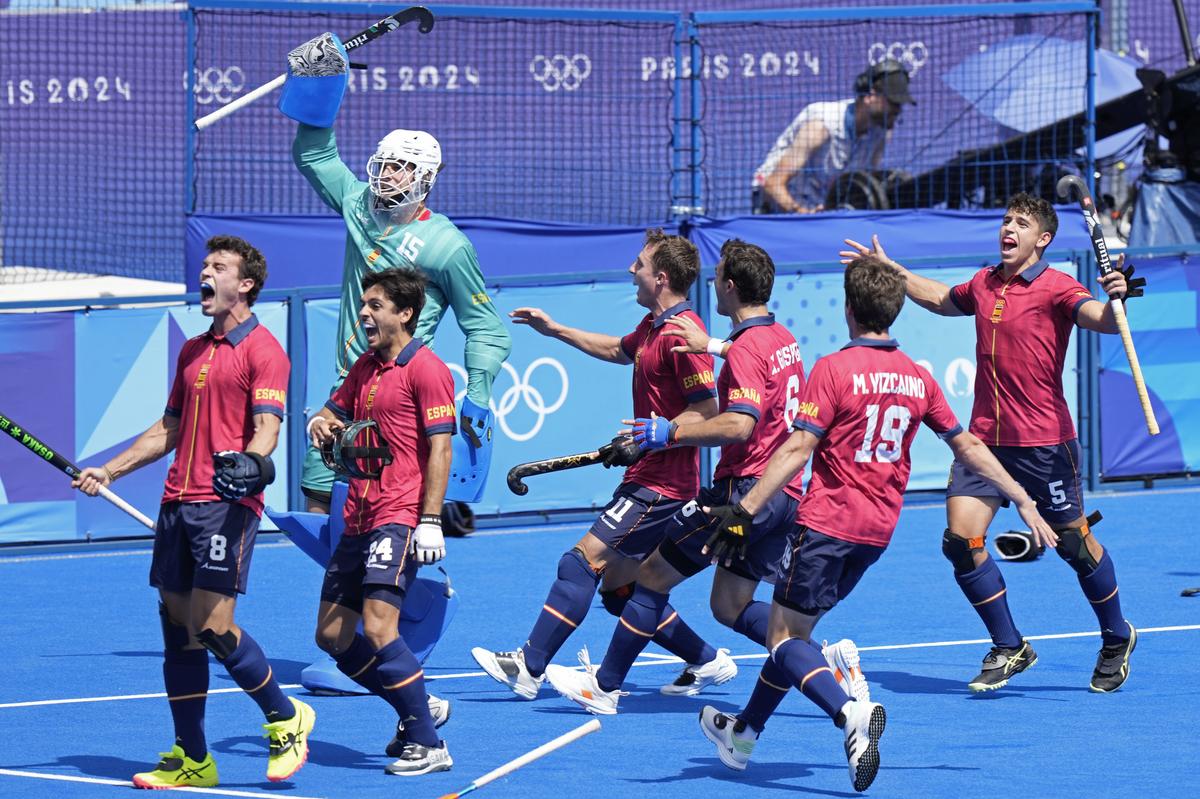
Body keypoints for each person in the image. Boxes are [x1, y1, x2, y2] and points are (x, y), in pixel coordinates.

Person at [697, 255, 1056, 792]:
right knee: (795, 636)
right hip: (878, 532)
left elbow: (798, 447)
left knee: (781, 636)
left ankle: (848, 714)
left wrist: (746, 509)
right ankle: (744, 733)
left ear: (847, 308)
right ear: (896, 310)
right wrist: (1022, 498)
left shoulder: (835, 369)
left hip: (826, 523)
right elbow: (968, 447)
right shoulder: (918, 377)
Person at [544, 238, 866, 713]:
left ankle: (605, 687)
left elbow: (738, 424)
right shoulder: (780, 337)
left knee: (649, 577)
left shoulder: (743, 350)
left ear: (730, 287)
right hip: (784, 496)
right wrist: (714, 347)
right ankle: (825, 661)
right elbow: (749, 357)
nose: (710, 283)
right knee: (729, 606)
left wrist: (667, 431)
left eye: (717, 278)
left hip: (743, 495)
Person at [841, 193, 1141, 693]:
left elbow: (1103, 319)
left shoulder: (1057, 288)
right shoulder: (984, 283)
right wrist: (891, 271)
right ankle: (1010, 646)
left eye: (1021, 223)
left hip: (1045, 445)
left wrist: (1120, 296)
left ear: (1042, 240)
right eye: (1006, 220)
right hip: (983, 444)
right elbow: (940, 299)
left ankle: (1116, 635)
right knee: (961, 542)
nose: (1009, 228)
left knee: (1074, 545)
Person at [73, 236, 313, 789]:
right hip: (177, 501)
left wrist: (253, 465)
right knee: (179, 632)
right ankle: (194, 758)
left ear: (245, 284)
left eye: (218, 267)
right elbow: (169, 428)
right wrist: (109, 470)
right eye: (204, 265)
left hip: (225, 506)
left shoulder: (264, 350)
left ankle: (285, 717)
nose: (204, 273)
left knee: (212, 624)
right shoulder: (192, 350)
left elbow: (267, 426)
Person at [471, 229, 727, 699]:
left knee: (580, 562)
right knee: (619, 589)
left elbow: (708, 412)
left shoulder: (680, 334)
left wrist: (657, 435)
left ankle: (529, 667)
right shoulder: (652, 327)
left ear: (662, 278)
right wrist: (556, 330)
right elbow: (616, 350)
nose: (632, 270)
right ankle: (705, 660)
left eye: (640, 265)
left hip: (663, 487)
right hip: (646, 478)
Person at [293, 122, 512, 512]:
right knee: (318, 498)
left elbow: (487, 329)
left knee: (387, 518)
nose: (387, 173)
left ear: (424, 178)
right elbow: (315, 156)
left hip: (399, 395)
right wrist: (320, 84)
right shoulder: (358, 205)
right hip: (348, 386)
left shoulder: (448, 246)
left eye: (399, 166)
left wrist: (477, 401)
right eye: (384, 163)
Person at [307, 268, 457, 776]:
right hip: (356, 516)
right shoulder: (365, 367)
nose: (364, 313)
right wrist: (320, 426)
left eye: (375, 305)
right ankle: (416, 704)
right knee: (330, 636)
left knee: (377, 627)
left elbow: (441, 447)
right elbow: (329, 413)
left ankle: (429, 742)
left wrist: (431, 520)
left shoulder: (427, 369)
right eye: (364, 305)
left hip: (398, 515)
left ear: (404, 312)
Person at [752, 59, 914, 214]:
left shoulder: (881, 130)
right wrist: (802, 214)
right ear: (870, 96)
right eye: (893, 102)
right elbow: (772, 184)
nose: (898, 109)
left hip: (820, 210)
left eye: (900, 104)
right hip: (775, 204)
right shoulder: (821, 125)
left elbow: (863, 181)